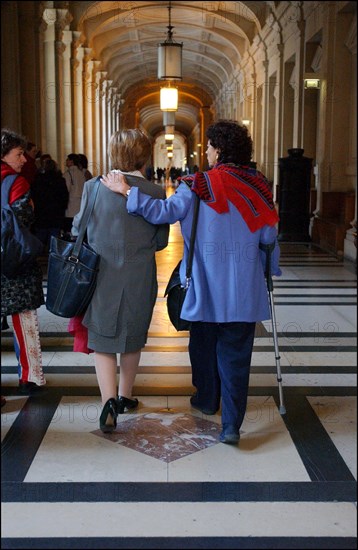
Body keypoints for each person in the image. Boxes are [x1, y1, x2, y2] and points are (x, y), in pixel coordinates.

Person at [101, 120, 281, 445]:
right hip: (243, 291)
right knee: (237, 357)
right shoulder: (259, 187)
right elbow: (269, 236)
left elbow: (163, 212)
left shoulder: (198, 184)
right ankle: (232, 425)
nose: (208, 151)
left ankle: (207, 399)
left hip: (205, 286)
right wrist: (267, 270)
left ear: (219, 150)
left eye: (210, 146)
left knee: (203, 346)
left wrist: (127, 191)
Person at [71, 129, 169, 433]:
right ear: (144, 156)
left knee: (102, 340)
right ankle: (126, 396)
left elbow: (79, 230)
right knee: (132, 334)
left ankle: (108, 402)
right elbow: (163, 240)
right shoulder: (153, 192)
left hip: (102, 274)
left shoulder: (92, 187)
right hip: (139, 275)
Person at [1, 128, 46, 394]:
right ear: (4, 155)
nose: (24, 159)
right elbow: (25, 220)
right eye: (18, 154)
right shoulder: (16, 182)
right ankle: (29, 376)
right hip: (15, 262)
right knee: (24, 320)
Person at [31, 158, 69, 251]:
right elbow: (64, 197)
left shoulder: (38, 180)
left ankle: (36, 256)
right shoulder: (60, 180)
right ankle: (54, 257)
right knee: (54, 239)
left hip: (41, 213)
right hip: (56, 213)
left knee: (40, 236)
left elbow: (34, 195)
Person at [63, 153, 86, 234]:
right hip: (80, 203)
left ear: (71, 161)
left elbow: (66, 189)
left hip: (70, 204)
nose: (66, 161)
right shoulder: (81, 173)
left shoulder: (67, 173)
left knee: (69, 229)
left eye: (67, 159)